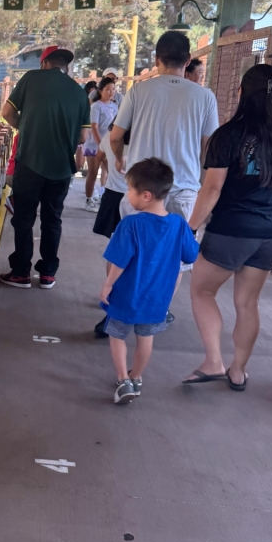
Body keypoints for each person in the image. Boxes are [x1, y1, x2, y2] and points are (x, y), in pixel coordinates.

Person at [183, 64, 272, 390]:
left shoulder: (229, 134)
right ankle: (238, 371)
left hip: (229, 230)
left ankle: (213, 361)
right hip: (267, 234)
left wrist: (190, 226)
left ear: (241, 92)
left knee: (202, 290)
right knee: (247, 303)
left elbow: (211, 189)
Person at [100, 158, 199, 404]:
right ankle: (137, 377)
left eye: (130, 189)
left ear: (145, 195)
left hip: (126, 295)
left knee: (117, 335)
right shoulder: (178, 223)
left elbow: (120, 261)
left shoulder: (131, 223)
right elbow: (191, 255)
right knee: (146, 338)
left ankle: (123, 380)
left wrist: (108, 284)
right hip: (158, 298)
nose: (127, 194)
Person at [110, 29, 218, 237]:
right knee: (172, 259)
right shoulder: (205, 97)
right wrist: (203, 186)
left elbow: (115, 136)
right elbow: (208, 148)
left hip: (141, 189)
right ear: (187, 60)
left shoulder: (137, 92)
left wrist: (118, 158)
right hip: (183, 189)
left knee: (131, 253)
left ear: (157, 58)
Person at [0, 46, 90, 289]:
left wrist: (26, 127)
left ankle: (21, 273)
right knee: (53, 220)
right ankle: (48, 273)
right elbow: (82, 137)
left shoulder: (30, 79)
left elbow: (6, 112)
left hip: (30, 162)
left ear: (43, 63)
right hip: (61, 168)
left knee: (24, 219)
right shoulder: (80, 93)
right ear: (66, 67)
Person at [93, 122, 129, 338]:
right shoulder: (143, 140)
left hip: (115, 195)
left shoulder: (110, 137)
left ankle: (112, 295)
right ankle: (115, 300)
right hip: (135, 198)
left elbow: (100, 158)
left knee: (117, 249)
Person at [85, 78, 118, 211]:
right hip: (95, 145)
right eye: (107, 90)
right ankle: (88, 199)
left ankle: (106, 198)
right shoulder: (96, 106)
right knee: (93, 173)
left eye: (113, 89)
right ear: (100, 91)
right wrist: (100, 145)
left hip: (109, 146)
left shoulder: (115, 106)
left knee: (112, 172)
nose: (111, 92)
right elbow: (94, 127)